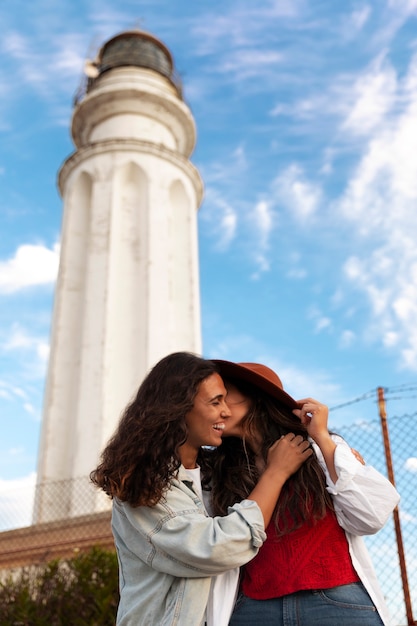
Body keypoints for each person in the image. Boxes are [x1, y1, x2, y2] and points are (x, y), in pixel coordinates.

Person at [90, 352, 313, 626]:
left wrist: (334, 454)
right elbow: (217, 548)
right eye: (215, 401)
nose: (226, 411)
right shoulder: (144, 486)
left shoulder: (216, 475)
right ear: (179, 407)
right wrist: (275, 474)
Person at [208, 360, 400, 626]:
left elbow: (371, 517)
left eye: (223, 395)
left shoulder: (319, 447)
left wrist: (322, 437)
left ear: (256, 396)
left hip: (337, 602)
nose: (215, 406)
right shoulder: (216, 469)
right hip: (254, 609)